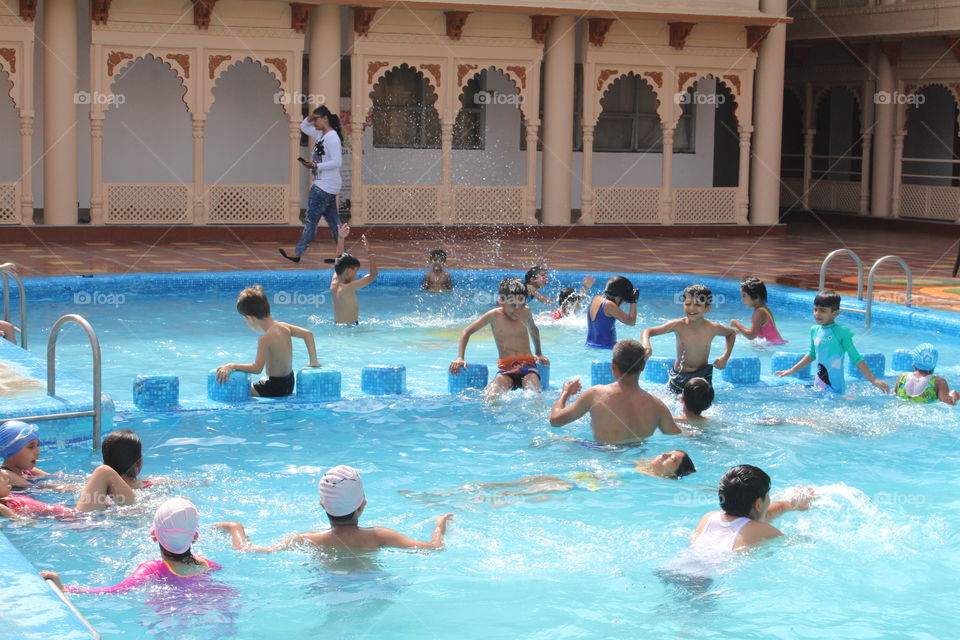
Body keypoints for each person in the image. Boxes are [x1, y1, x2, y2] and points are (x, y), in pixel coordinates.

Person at [214, 465, 453, 552]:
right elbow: (434, 548)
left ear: (322, 504)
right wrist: (439, 525)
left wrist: (235, 527)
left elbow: (249, 551)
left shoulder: (305, 539)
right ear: (362, 505)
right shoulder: (380, 536)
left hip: (326, 589)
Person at [42, 497, 221, 592]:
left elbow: (113, 590)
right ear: (195, 536)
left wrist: (65, 588)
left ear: (153, 535)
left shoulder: (151, 569)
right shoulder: (209, 565)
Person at [401, 451, 696, 505]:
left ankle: (461, 502)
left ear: (674, 475)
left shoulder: (657, 481)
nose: (664, 455)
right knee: (519, 482)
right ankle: (448, 493)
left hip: (587, 484)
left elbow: (700, 487)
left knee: (519, 493)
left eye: (671, 459)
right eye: (668, 452)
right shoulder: (643, 465)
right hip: (583, 476)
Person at [549, 339, 681, 444]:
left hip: (603, 457)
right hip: (638, 461)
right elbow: (678, 437)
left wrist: (565, 393)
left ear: (613, 365)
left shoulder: (595, 394)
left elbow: (555, 420)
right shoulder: (657, 405)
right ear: (643, 366)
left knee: (562, 440)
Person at [774, 290, 889, 395]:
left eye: (822, 310)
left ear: (835, 314)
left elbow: (856, 358)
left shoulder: (841, 332)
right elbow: (811, 354)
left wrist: (873, 380)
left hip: (835, 388)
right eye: (815, 309)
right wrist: (792, 370)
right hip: (819, 383)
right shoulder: (814, 330)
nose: (817, 313)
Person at [216, 285, 322, 397]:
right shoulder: (284, 326)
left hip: (273, 387)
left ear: (250, 318)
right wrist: (313, 361)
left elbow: (257, 368)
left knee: (238, 388)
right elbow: (308, 334)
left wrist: (232, 365)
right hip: (289, 383)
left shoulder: (264, 339)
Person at [449, 277, 549, 394]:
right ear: (501, 301)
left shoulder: (526, 312)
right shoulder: (493, 316)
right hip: (506, 369)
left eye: (521, 304)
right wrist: (460, 358)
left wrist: (538, 353)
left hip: (528, 367)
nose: (518, 309)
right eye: (513, 305)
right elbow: (466, 332)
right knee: (491, 396)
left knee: (533, 394)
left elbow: (533, 329)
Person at [690, 465, 815, 552]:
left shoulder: (709, 517)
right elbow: (795, 543)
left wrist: (787, 504)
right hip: (707, 579)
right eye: (768, 496)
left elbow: (749, 522)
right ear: (759, 504)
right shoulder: (763, 530)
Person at [641, 284, 736, 394]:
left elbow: (731, 333)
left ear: (707, 308)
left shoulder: (712, 328)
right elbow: (647, 331)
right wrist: (646, 345)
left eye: (697, 304)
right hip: (679, 376)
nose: (691, 308)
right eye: (687, 303)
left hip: (702, 376)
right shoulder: (678, 325)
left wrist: (725, 357)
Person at [280, 105, 344, 264]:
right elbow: (303, 127)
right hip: (327, 185)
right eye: (313, 120)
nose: (314, 123)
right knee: (334, 223)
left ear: (325, 119)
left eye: (317, 119)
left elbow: (337, 162)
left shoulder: (332, 137)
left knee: (311, 221)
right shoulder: (321, 135)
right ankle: (343, 256)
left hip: (324, 186)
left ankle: (297, 252)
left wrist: (316, 166)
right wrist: (311, 116)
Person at [331, 225, 379, 325]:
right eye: (355, 271)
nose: (356, 275)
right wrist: (371, 253)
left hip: (338, 325)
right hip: (350, 328)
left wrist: (341, 238)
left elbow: (338, 259)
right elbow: (373, 276)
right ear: (348, 271)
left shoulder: (334, 282)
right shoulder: (348, 287)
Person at [893, 343, 958, 405]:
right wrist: (955, 396)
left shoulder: (902, 376)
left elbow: (894, 395)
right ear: (934, 364)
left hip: (902, 409)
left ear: (913, 364)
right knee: (954, 392)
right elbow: (948, 403)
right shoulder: (938, 382)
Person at [0, 420, 57, 489]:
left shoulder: (27, 470)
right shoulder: (4, 475)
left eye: (38, 445)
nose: (38, 452)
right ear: (10, 450)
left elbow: (53, 477)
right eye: (31, 447)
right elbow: (35, 488)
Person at [730, 277, 786, 346]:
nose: (742, 299)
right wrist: (739, 331)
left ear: (756, 296)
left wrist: (737, 324)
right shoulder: (764, 309)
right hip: (775, 344)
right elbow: (757, 332)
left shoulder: (759, 313)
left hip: (772, 347)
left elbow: (751, 335)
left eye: (744, 296)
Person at [585, 276, 638, 348]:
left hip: (590, 345)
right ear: (619, 296)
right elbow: (631, 322)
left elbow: (614, 309)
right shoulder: (609, 305)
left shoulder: (596, 299)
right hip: (606, 348)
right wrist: (633, 301)